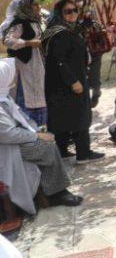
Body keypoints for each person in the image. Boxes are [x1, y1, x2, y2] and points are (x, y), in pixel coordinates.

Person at [0, 59, 83, 213]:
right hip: (7, 148)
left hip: (15, 141)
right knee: (46, 148)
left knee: (47, 140)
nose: (14, 76)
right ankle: (57, 193)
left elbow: (21, 119)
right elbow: (7, 134)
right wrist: (36, 135)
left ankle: (54, 189)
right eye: (11, 73)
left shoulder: (4, 96)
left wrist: (36, 130)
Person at [42, 0, 105, 164]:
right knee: (80, 117)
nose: (72, 14)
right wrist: (73, 82)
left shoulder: (68, 30)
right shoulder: (59, 33)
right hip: (68, 82)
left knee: (62, 117)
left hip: (66, 82)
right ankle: (84, 154)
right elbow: (58, 60)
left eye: (75, 10)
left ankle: (62, 151)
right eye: (67, 11)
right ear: (59, 14)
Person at [2, 0, 47, 126]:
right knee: (25, 96)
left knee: (40, 94)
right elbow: (8, 41)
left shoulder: (39, 21)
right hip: (24, 64)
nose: (38, 7)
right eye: (35, 4)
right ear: (27, 6)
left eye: (39, 4)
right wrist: (28, 43)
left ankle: (40, 131)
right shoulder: (19, 22)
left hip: (38, 62)